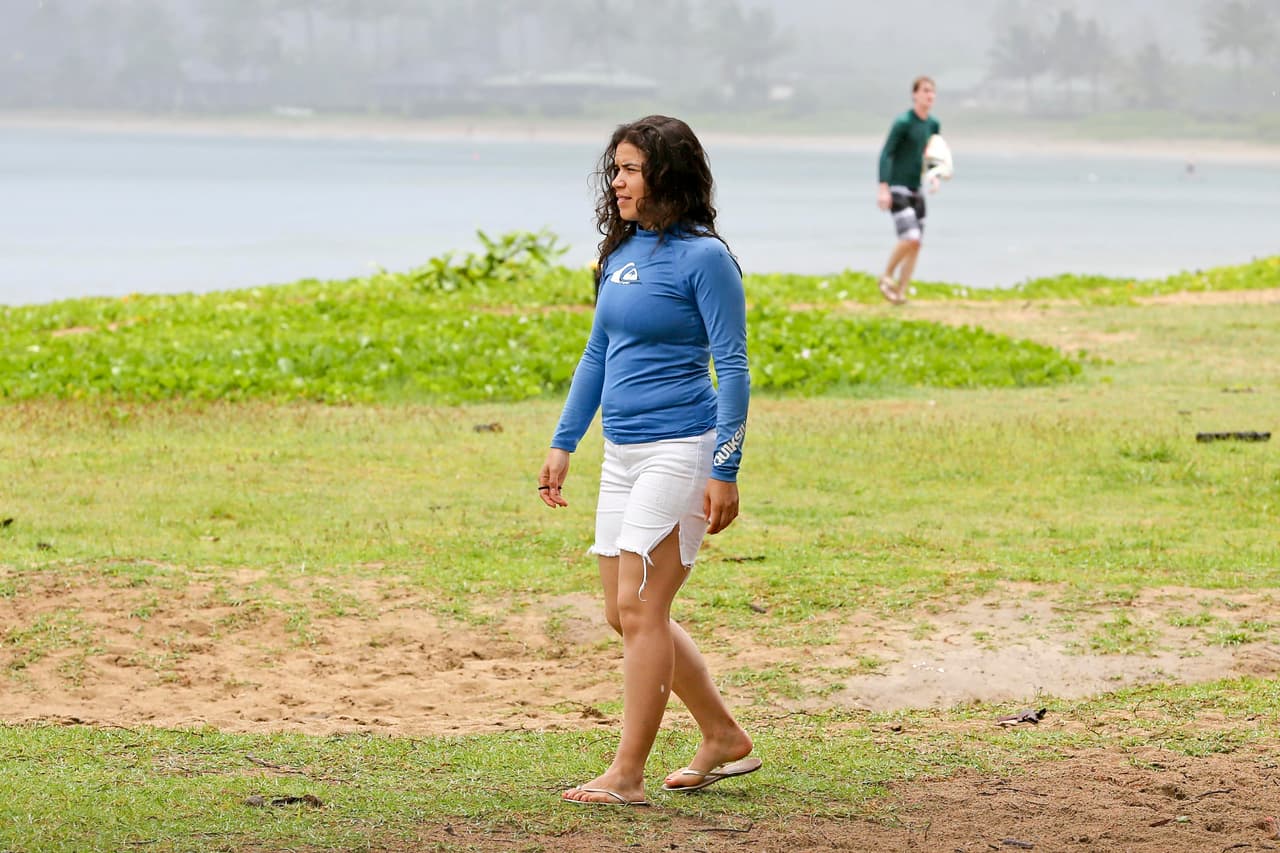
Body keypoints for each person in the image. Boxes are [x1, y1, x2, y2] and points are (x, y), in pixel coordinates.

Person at [537, 115, 760, 807]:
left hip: (681, 447)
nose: (617, 180)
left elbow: (734, 367)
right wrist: (564, 441)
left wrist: (725, 467)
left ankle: (626, 773)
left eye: (630, 168)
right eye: (616, 169)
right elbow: (597, 354)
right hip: (621, 453)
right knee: (624, 610)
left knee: (642, 606)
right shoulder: (623, 252)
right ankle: (723, 735)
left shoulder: (706, 259)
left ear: (665, 174)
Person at [876, 76, 941, 305]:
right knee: (910, 238)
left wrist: (934, 176)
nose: (929, 95)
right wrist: (883, 187)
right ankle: (886, 276)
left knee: (917, 244)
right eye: (925, 91)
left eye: (932, 92)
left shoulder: (933, 124)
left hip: (917, 188)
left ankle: (900, 293)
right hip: (898, 187)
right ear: (915, 94)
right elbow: (887, 153)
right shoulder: (903, 122)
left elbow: (932, 152)